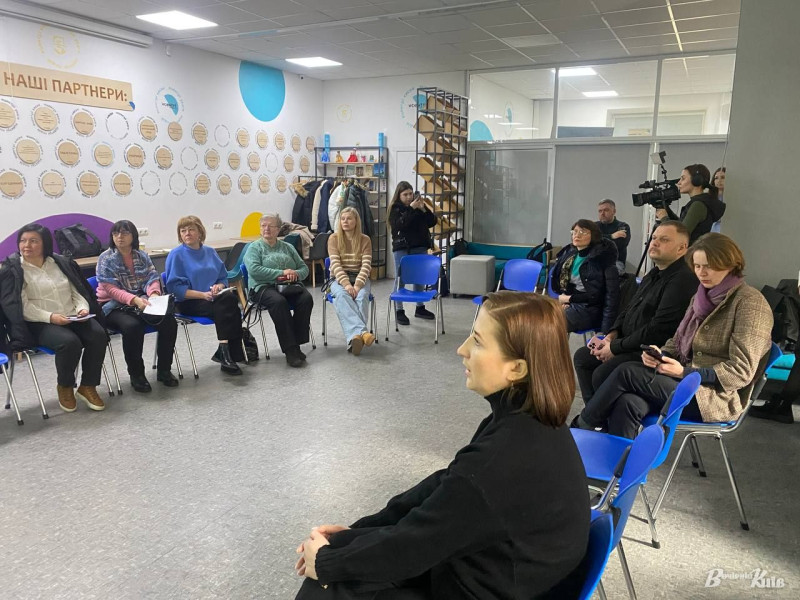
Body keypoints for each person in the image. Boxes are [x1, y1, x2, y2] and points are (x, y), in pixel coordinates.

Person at [293, 292, 590, 600]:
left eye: (478, 342)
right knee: (341, 555)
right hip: (492, 569)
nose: (462, 349)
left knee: (325, 584)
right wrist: (357, 531)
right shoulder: (527, 419)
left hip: (481, 585)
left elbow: (415, 545)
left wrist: (328, 564)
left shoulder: (499, 460)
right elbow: (443, 490)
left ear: (516, 369)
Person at [573, 233, 773, 439]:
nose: (701, 272)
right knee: (629, 403)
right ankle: (617, 458)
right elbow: (676, 341)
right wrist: (661, 354)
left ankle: (581, 428)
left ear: (731, 264)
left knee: (627, 372)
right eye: (697, 266)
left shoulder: (750, 303)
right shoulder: (700, 296)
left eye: (709, 266)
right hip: (680, 381)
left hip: (715, 396)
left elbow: (741, 372)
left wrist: (684, 372)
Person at [574, 221, 697, 404]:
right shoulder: (653, 274)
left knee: (603, 373)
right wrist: (612, 335)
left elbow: (658, 330)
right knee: (583, 357)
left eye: (664, 240)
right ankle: (593, 413)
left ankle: (597, 415)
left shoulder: (682, 280)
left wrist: (615, 348)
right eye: (654, 238)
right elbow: (628, 308)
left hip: (650, 351)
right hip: (628, 342)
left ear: (681, 248)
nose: (654, 243)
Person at [0, 223, 108, 412]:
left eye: (33, 241)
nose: (27, 245)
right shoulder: (13, 270)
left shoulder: (60, 262)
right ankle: (65, 386)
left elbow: (76, 291)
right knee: (69, 343)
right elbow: (21, 307)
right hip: (38, 322)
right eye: (23, 241)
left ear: (45, 244)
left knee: (99, 335)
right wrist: (51, 317)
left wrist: (82, 309)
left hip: (72, 315)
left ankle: (88, 386)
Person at [95, 220, 178, 392]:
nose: (120, 237)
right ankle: (137, 375)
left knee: (168, 321)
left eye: (125, 233)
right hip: (112, 306)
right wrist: (135, 300)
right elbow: (111, 289)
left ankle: (164, 370)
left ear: (133, 236)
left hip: (141, 300)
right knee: (132, 326)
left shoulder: (141, 255)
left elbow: (152, 277)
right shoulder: (105, 259)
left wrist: (154, 293)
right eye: (116, 233)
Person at [165, 215, 243, 376]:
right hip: (189, 301)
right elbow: (175, 289)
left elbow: (223, 277)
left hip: (215, 299)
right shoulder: (176, 255)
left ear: (200, 232)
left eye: (191, 229)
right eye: (183, 230)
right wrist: (202, 295)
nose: (187, 233)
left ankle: (225, 351)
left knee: (228, 299)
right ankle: (230, 353)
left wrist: (218, 286)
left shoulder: (210, 251)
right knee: (230, 307)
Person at [243, 213, 313, 368]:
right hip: (262, 287)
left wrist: (295, 274)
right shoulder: (254, 248)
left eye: (271, 226)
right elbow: (254, 270)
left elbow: (304, 269)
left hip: (288, 286)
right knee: (278, 302)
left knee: (306, 298)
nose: (266, 229)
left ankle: (296, 343)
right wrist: (282, 273)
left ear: (278, 229)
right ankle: (290, 350)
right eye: (263, 226)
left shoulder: (288, 247)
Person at [550, 219, 619, 334]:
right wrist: (566, 301)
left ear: (594, 235)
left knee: (549, 324)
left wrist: (606, 331)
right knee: (537, 315)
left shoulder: (602, 259)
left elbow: (603, 297)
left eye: (582, 232)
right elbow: (567, 286)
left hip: (591, 309)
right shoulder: (570, 255)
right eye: (574, 231)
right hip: (572, 303)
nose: (577, 235)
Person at [327, 207, 376, 355]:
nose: (345, 221)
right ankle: (363, 333)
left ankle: (354, 339)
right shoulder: (333, 238)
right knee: (342, 296)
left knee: (361, 297)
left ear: (356, 221)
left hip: (359, 277)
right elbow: (336, 266)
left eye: (349, 218)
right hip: (338, 279)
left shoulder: (365, 239)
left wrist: (358, 285)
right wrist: (347, 285)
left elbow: (366, 266)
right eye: (342, 219)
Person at [389, 182, 437, 326]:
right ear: (399, 196)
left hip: (420, 246)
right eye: (405, 194)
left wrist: (423, 209)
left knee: (419, 278)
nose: (409, 197)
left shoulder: (418, 206)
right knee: (400, 278)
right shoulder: (395, 209)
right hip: (402, 248)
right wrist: (411, 208)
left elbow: (432, 222)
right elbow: (401, 224)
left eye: (410, 193)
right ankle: (399, 310)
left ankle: (420, 307)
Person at [657, 163, 726, 244]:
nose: (679, 182)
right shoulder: (699, 202)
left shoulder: (698, 205)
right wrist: (667, 210)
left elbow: (681, 234)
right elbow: (681, 224)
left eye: (683, 178)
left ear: (696, 180)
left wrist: (664, 218)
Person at [595, 199, 630, 274]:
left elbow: (619, 245)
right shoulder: (594, 226)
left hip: (615, 261)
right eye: (600, 211)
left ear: (614, 211)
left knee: (610, 273)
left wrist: (599, 240)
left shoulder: (623, 226)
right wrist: (611, 236)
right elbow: (590, 242)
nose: (602, 213)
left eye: (606, 210)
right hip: (596, 259)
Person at [711, 166, 726, 232]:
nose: (719, 181)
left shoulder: (733, 199)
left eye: (722, 177)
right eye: (716, 178)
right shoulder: (709, 199)